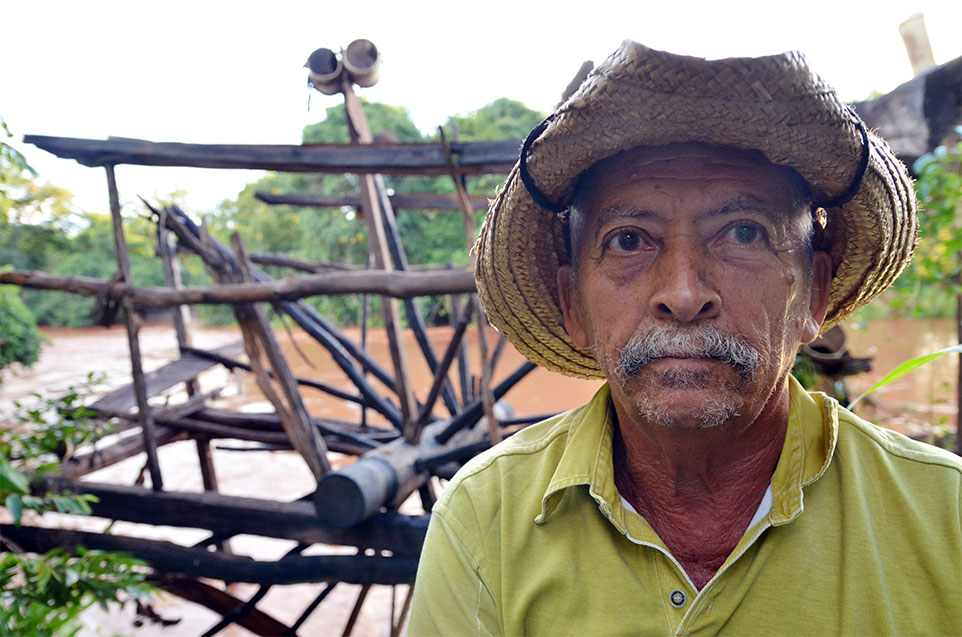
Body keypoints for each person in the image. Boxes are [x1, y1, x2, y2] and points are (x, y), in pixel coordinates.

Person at [408, 41, 962, 636]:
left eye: (743, 234)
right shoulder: (484, 519)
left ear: (814, 295)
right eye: (628, 240)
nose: (684, 292)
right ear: (575, 307)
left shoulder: (946, 519)